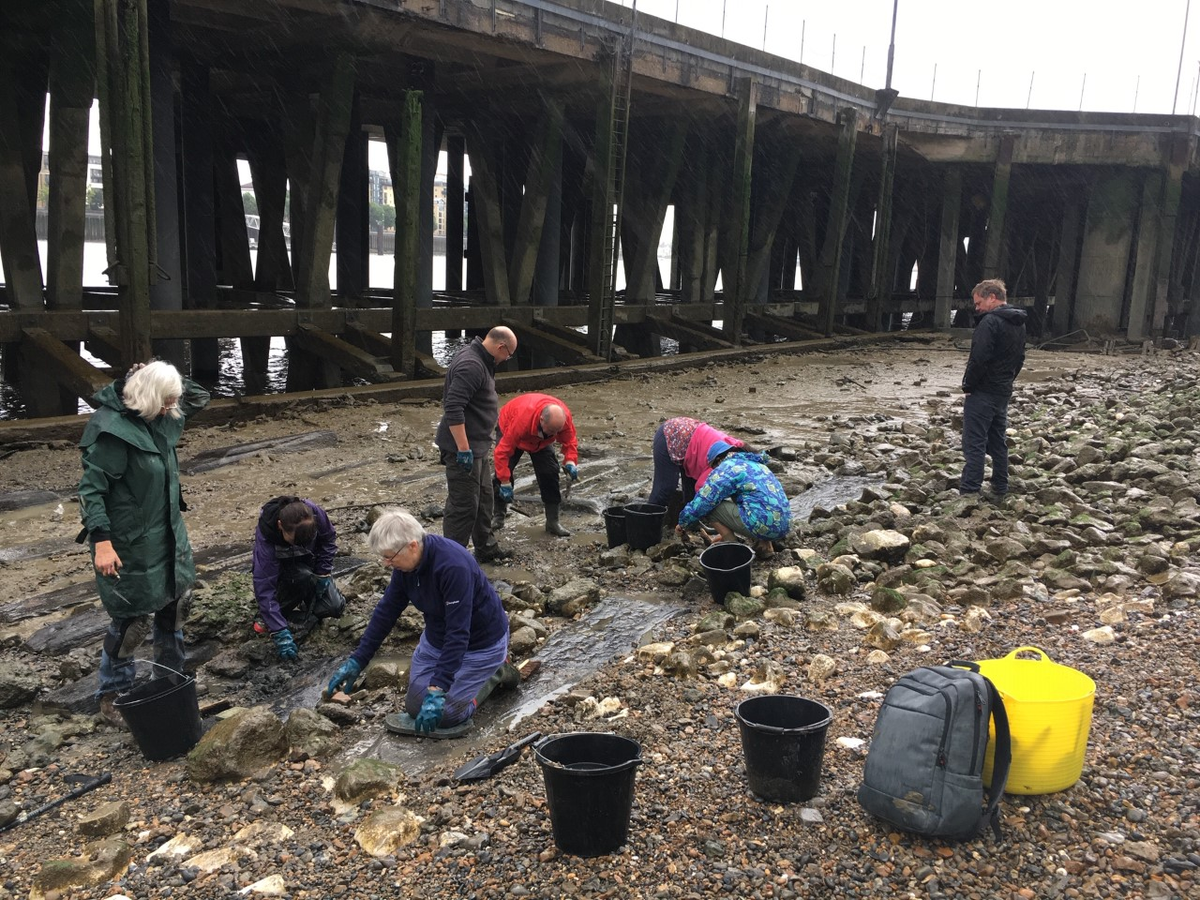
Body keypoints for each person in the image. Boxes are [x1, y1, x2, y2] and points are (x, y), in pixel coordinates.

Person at [77, 360, 210, 727]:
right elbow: (91, 491)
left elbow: (200, 397)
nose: (173, 409)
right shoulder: (111, 431)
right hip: (129, 541)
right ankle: (113, 696)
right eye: (166, 401)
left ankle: (169, 680)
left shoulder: (161, 419)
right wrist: (102, 543)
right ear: (149, 398)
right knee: (130, 621)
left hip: (168, 530)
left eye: (172, 402)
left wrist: (160, 372)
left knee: (175, 605)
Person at [325, 509, 517, 736]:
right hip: (436, 640)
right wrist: (359, 659)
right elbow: (386, 611)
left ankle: (497, 672)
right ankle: (461, 684)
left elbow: (458, 633)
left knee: (447, 716)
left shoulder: (453, 566)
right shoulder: (405, 566)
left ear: (413, 546)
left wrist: (438, 689)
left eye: (389, 556)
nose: (386, 564)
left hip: (479, 643)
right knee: (415, 707)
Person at [434, 326, 518, 563]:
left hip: (478, 446)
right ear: (501, 347)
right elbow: (453, 407)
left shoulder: (481, 359)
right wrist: (463, 448)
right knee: (464, 506)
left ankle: (486, 549)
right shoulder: (471, 365)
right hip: (464, 449)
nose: (506, 360)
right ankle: (451, 560)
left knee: (484, 499)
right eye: (508, 355)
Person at [252, 496, 347, 660]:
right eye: (295, 540)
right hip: (283, 572)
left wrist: (323, 572)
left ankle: (301, 605)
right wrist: (280, 632)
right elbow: (264, 586)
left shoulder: (314, 513)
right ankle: (272, 616)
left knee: (333, 607)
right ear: (281, 526)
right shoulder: (268, 538)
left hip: (310, 564)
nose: (299, 544)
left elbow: (328, 540)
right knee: (294, 583)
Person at [959, 278, 1027, 501]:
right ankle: (1000, 486)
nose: (976, 308)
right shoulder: (1018, 322)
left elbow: (978, 358)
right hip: (1002, 391)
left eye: (979, 303)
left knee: (974, 442)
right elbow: (1019, 358)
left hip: (983, 392)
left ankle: (969, 490)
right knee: (998, 442)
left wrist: (968, 385)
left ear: (992, 297)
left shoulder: (989, 322)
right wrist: (1008, 380)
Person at [675, 442, 791, 559]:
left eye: (713, 467)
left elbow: (703, 501)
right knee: (750, 502)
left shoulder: (727, 467)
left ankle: (733, 549)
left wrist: (683, 523)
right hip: (784, 524)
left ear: (719, 459)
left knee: (710, 507)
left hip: (763, 525)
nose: (714, 470)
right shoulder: (756, 464)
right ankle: (765, 546)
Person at [491, 393, 579, 537]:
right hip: (511, 428)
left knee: (550, 472)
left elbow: (570, 441)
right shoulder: (521, 421)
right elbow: (501, 453)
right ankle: (498, 517)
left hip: (541, 442)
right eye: (551, 431)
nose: (555, 434)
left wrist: (570, 461)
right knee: (502, 474)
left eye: (557, 431)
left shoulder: (563, 419)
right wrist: (505, 481)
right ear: (541, 419)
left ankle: (552, 522)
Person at [647, 417, 745, 508]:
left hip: (692, 443)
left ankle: (686, 523)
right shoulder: (721, 465)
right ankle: (646, 522)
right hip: (671, 435)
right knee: (665, 489)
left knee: (691, 496)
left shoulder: (741, 453)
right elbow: (702, 491)